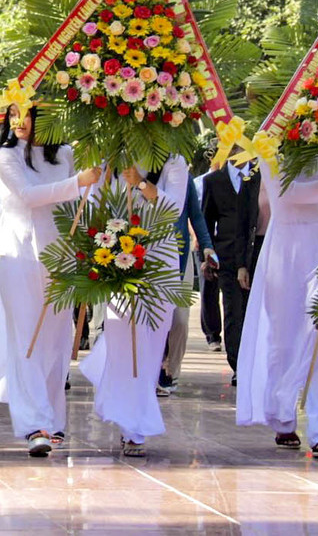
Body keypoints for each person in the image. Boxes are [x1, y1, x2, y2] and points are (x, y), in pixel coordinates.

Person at [0, 105, 98, 457]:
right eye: (12, 114)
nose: (18, 121)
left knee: (56, 341)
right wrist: (77, 183)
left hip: (61, 255)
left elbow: (86, 198)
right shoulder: (5, 157)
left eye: (25, 113)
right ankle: (32, 425)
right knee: (26, 337)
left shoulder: (66, 154)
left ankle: (53, 421)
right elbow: (28, 196)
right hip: (19, 255)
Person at [78, 156, 187, 458]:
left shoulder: (174, 161)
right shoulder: (111, 156)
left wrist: (140, 182)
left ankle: (135, 420)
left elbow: (173, 210)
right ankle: (132, 428)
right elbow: (92, 203)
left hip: (159, 263)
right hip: (119, 259)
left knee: (149, 349)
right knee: (122, 341)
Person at [236, 159, 318, 457]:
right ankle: (282, 417)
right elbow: (288, 193)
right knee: (282, 341)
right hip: (284, 249)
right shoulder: (270, 148)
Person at [201, 159, 261, 381]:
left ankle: (255, 361)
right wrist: (206, 257)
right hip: (225, 256)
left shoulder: (260, 176)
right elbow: (206, 221)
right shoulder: (213, 181)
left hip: (256, 253)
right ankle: (239, 365)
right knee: (233, 311)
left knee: (253, 311)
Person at [159, 165, 215, 395]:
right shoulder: (135, 172)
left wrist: (208, 247)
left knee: (179, 320)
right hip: (147, 257)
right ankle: (155, 372)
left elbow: (196, 215)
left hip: (180, 257)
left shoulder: (183, 176)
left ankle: (172, 370)